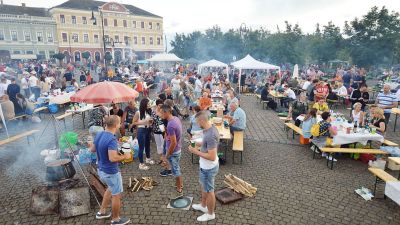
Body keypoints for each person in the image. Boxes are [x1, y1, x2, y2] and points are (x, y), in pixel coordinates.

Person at [90, 115, 131, 225]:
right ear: (116, 125)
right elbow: (112, 158)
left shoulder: (99, 134)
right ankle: (116, 219)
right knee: (116, 195)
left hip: (101, 170)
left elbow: (92, 149)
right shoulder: (112, 139)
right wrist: (125, 156)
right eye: (120, 123)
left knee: (110, 188)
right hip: (111, 171)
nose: (121, 124)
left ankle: (102, 211)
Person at [189, 111, 219, 222]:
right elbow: (206, 143)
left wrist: (195, 152)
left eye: (197, 122)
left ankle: (211, 214)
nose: (196, 124)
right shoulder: (209, 129)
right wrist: (198, 144)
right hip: (205, 167)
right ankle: (203, 205)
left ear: (202, 120)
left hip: (209, 168)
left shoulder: (211, 135)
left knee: (210, 190)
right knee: (204, 187)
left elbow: (212, 156)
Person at [159, 104, 183, 197]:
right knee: (176, 168)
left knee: (176, 170)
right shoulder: (175, 119)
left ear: (166, 112)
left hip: (174, 151)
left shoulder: (170, 125)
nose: (160, 115)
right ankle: (179, 184)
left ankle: (179, 186)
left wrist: (167, 155)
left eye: (161, 113)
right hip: (177, 150)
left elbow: (173, 143)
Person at [131, 98, 154, 170]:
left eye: (149, 104)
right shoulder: (138, 112)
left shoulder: (149, 111)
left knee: (148, 145)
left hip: (148, 129)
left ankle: (148, 158)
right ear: (144, 104)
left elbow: (149, 121)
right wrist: (143, 123)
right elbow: (133, 123)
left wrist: (150, 122)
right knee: (141, 147)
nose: (149, 105)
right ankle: (141, 164)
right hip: (141, 130)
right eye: (148, 104)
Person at [152, 99, 166, 164]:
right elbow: (153, 120)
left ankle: (164, 160)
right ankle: (161, 159)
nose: (160, 107)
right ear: (157, 105)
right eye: (159, 105)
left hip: (163, 131)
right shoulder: (153, 112)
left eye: (161, 105)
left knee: (163, 145)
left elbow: (163, 120)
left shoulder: (164, 111)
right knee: (158, 145)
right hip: (156, 130)